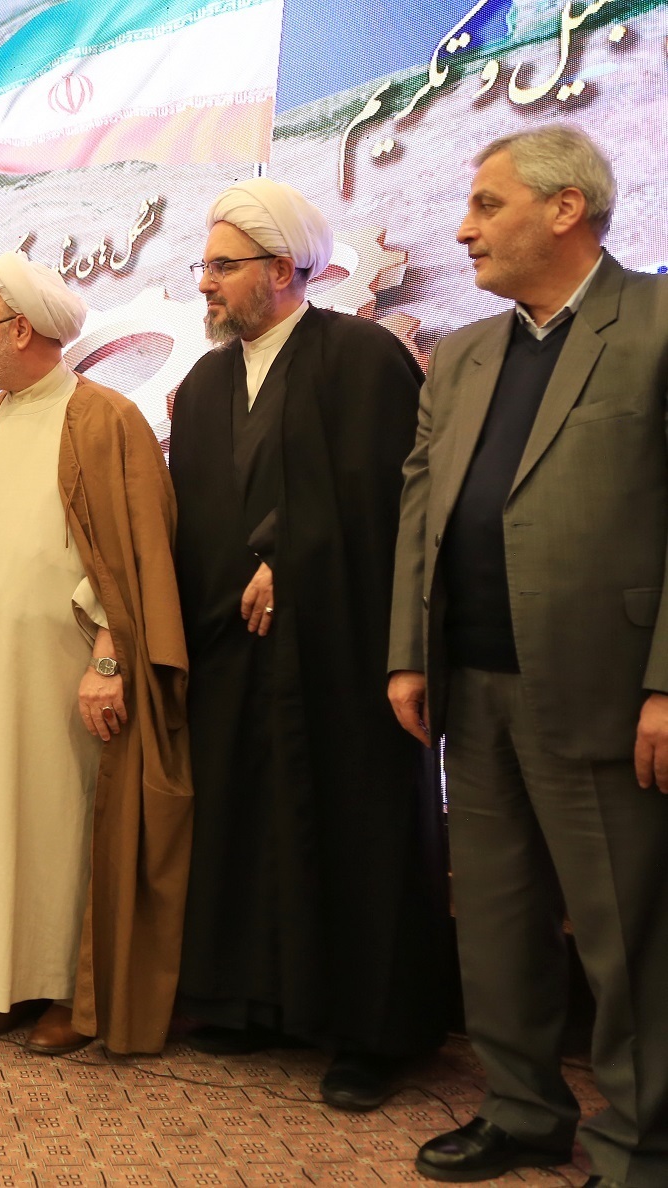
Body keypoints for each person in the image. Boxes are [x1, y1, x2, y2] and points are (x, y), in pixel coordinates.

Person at [388, 125, 668, 1185]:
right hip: (472, 686)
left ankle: (641, 1143)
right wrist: (408, 653)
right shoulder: (463, 354)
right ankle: (521, 1112)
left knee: (627, 937)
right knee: (498, 924)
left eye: (487, 205)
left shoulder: (656, 322)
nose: (463, 229)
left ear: (565, 208)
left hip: (608, 688)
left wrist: (667, 682)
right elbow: (422, 508)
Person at [168, 179, 451, 1110]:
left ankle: (371, 1034)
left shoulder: (362, 357)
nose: (204, 282)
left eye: (222, 265)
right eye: (204, 264)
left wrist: (289, 557)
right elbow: (198, 517)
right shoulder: (204, 385)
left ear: (284, 269)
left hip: (341, 649)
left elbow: (391, 496)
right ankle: (255, 1002)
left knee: (354, 828)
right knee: (247, 820)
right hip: (234, 652)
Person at [0, 253, 192, 1055]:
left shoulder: (105, 419)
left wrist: (108, 660)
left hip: (65, 677)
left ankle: (69, 989)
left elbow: (135, 557)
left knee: (60, 825)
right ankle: (6, 981)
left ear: (21, 331)